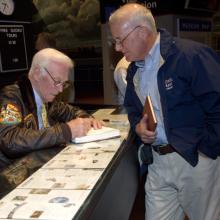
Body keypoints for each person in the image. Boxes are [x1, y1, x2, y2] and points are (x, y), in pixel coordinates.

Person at [109, 3, 220, 220]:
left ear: (141, 31)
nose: (117, 48)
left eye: (119, 40)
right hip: (158, 163)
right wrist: (138, 126)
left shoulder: (191, 56)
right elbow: (132, 108)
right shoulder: (134, 69)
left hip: (194, 161)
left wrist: (206, 150)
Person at [0, 48, 103, 197]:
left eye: (64, 83)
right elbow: (10, 140)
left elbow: (69, 111)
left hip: (37, 171)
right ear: (36, 73)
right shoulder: (11, 98)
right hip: (10, 182)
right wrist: (65, 131)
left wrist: (87, 119)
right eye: (57, 81)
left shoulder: (46, 97)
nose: (60, 89)